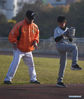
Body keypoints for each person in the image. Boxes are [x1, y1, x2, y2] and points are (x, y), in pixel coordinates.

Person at [4, 10, 40, 84]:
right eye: (30, 18)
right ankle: (7, 79)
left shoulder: (35, 26)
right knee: (15, 63)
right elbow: (12, 35)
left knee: (31, 65)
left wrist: (35, 42)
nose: (31, 20)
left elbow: (36, 36)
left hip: (28, 50)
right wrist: (14, 42)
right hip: (19, 49)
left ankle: (33, 79)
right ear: (26, 17)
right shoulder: (19, 25)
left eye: (32, 19)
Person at [54, 16, 82, 87]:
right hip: (59, 45)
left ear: (65, 22)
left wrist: (70, 36)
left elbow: (70, 40)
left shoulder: (67, 29)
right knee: (74, 47)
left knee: (63, 64)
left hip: (64, 45)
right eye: (60, 22)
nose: (61, 24)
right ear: (58, 23)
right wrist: (63, 35)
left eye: (62, 22)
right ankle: (74, 64)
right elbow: (56, 40)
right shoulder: (57, 29)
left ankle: (59, 81)